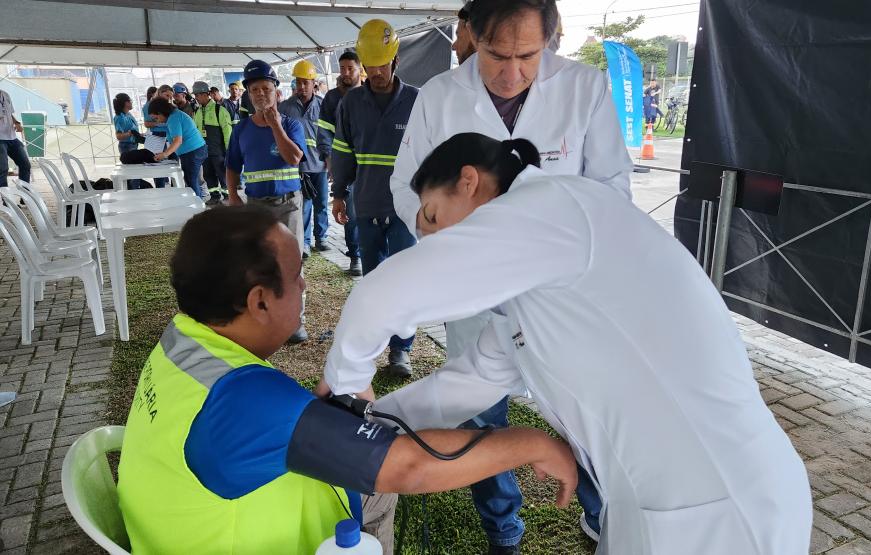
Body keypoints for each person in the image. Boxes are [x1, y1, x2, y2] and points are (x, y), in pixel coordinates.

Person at [321, 133, 814, 555]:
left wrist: (346, 391)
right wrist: (366, 424)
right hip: (653, 504)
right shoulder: (529, 289)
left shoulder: (553, 207)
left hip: (724, 506)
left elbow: (380, 294)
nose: (431, 243)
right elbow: (462, 388)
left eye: (431, 218)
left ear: (468, 182)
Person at [117, 204, 578, 555]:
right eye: (297, 277)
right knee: (384, 483)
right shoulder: (248, 402)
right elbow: (411, 468)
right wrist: (532, 443)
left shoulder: (184, 339)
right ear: (259, 302)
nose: (305, 288)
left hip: (177, 532)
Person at [387, 0, 632, 547]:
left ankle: (600, 517)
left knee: (584, 416)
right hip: (472, 294)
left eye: (529, 55)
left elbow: (612, 189)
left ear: (551, 38)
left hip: (561, 300)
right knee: (478, 416)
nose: (512, 72)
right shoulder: (440, 97)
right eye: (497, 54)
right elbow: (406, 187)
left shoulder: (584, 88)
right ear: (471, 34)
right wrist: (442, 230)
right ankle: (503, 528)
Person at [330, 20, 418, 377]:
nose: (376, 72)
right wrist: (337, 194)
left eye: (382, 64)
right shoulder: (352, 102)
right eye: (371, 65)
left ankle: (401, 351)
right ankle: (374, 345)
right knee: (374, 281)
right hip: (365, 205)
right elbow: (342, 150)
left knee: (403, 282)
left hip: (405, 209)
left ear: (395, 60)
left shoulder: (416, 100)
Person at [225, 59, 309, 344]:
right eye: (255, 89)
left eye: (266, 88)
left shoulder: (291, 125)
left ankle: (296, 320)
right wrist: (234, 196)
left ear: (277, 91)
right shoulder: (241, 130)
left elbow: (294, 158)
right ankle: (265, 317)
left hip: (288, 204)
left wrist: (275, 126)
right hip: (256, 208)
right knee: (260, 262)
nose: (261, 94)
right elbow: (232, 165)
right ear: (248, 94)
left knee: (291, 262)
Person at [317, 51, 363, 276]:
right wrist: (329, 157)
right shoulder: (332, 98)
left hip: (369, 165)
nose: (345, 73)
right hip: (345, 165)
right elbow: (324, 131)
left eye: (349, 69)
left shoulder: (369, 94)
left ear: (359, 69)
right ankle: (356, 255)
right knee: (350, 212)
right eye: (342, 69)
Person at [279, 60, 330, 257]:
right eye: (298, 82)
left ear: (313, 83)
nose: (301, 87)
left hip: (321, 164)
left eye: (305, 83)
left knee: (322, 203)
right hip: (298, 166)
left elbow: (330, 133)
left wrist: (330, 159)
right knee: (303, 205)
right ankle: (306, 242)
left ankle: (322, 237)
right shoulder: (285, 108)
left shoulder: (324, 106)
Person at [146, 97, 208, 198]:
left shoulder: (173, 118)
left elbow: (178, 141)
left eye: (156, 118)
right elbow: (168, 132)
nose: (158, 121)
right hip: (192, 151)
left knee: (191, 181)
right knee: (191, 180)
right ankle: (198, 202)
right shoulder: (173, 116)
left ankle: (198, 207)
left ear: (161, 112)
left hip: (192, 152)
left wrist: (165, 154)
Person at [192, 81, 234, 205]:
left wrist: (229, 150)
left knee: (222, 173)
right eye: (195, 95)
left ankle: (228, 195)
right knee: (208, 174)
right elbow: (196, 131)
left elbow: (227, 132)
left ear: (206, 94)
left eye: (198, 95)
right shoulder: (198, 112)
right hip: (204, 151)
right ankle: (214, 195)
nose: (196, 98)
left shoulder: (219, 110)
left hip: (219, 150)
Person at [112, 93, 145, 190]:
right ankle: (133, 191)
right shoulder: (119, 117)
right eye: (130, 100)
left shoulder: (128, 114)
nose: (132, 102)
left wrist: (138, 135)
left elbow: (132, 130)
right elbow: (119, 136)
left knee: (135, 172)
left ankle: (136, 189)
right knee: (132, 173)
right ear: (125, 103)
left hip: (133, 145)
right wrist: (130, 133)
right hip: (127, 146)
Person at [0, 87, 29, 188]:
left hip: (11, 137)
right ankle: (6, 200)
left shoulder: (5, 94)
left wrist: (16, 122)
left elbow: (10, 113)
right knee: (3, 169)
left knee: (25, 164)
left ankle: (25, 194)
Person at [143, 85, 172, 188]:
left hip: (170, 136)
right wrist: (161, 123)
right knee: (157, 165)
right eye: (167, 95)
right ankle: (160, 189)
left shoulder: (167, 105)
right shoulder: (149, 106)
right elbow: (146, 123)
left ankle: (174, 187)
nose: (168, 98)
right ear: (159, 93)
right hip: (157, 137)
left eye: (170, 96)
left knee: (172, 164)